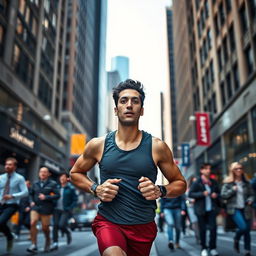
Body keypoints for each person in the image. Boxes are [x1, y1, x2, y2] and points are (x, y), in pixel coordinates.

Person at [70, 79, 187, 256]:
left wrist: (160, 191)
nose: (129, 105)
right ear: (116, 110)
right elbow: (76, 173)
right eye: (123, 101)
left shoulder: (157, 147)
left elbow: (180, 183)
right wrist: (96, 188)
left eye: (135, 101)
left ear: (142, 110)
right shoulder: (98, 145)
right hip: (109, 222)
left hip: (143, 226)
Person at [221, 162, 254, 256]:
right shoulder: (228, 183)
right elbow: (223, 195)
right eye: (236, 168)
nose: (239, 170)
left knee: (247, 230)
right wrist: (232, 190)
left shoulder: (247, 182)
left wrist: (250, 199)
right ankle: (236, 238)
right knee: (243, 227)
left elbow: (252, 194)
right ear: (233, 170)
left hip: (246, 208)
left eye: (240, 168)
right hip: (234, 209)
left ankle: (247, 251)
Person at [189, 163, 220, 256]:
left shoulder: (213, 182)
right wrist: (202, 194)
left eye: (209, 169)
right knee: (202, 230)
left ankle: (213, 247)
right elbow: (191, 194)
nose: (208, 170)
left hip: (212, 209)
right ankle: (203, 248)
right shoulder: (197, 182)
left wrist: (216, 195)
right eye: (206, 169)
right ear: (201, 170)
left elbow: (219, 192)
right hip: (200, 210)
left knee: (213, 229)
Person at [27, 167, 60, 253]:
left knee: (45, 227)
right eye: (41, 171)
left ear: (48, 174)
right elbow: (30, 195)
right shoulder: (35, 184)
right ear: (39, 173)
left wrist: (46, 197)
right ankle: (34, 245)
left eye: (45, 172)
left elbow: (57, 195)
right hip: (35, 207)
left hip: (46, 208)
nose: (43, 173)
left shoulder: (52, 184)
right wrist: (31, 202)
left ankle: (48, 241)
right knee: (33, 222)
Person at [0, 157, 28, 252]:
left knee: (1, 222)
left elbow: (25, 192)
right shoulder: (1, 178)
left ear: (15, 167)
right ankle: (10, 235)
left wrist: (12, 196)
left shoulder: (20, 178)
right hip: (1, 203)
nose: (7, 166)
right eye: (6, 164)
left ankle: (9, 237)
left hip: (12, 205)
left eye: (10, 164)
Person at [51, 173, 78, 251]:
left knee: (61, 225)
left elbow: (75, 200)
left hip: (65, 210)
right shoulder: (57, 188)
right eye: (61, 177)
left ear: (67, 178)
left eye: (63, 177)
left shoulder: (71, 188)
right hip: (56, 209)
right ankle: (55, 243)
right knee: (55, 225)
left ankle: (67, 232)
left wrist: (70, 208)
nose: (62, 178)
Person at [185, 176, 200, 244]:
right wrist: (191, 201)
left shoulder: (199, 188)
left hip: (199, 207)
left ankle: (201, 236)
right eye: (194, 181)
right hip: (191, 207)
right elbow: (186, 198)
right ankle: (198, 237)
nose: (195, 182)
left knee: (200, 222)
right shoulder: (188, 189)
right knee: (195, 222)